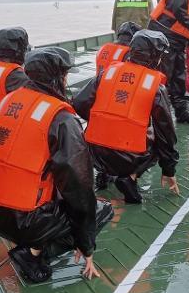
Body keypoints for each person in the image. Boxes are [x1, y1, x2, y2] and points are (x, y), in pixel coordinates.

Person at [0, 47, 114, 283]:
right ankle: (31, 253)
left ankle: (32, 245)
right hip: (25, 221)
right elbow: (78, 188)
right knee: (101, 210)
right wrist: (86, 244)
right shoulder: (61, 119)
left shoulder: (8, 101)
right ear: (59, 78)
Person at [73, 29, 179, 204]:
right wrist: (169, 169)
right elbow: (166, 133)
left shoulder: (107, 73)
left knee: (107, 133)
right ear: (156, 57)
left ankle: (104, 173)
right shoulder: (155, 87)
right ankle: (130, 176)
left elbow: (79, 103)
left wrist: (100, 120)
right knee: (156, 139)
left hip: (94, 151)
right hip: (129, 157)